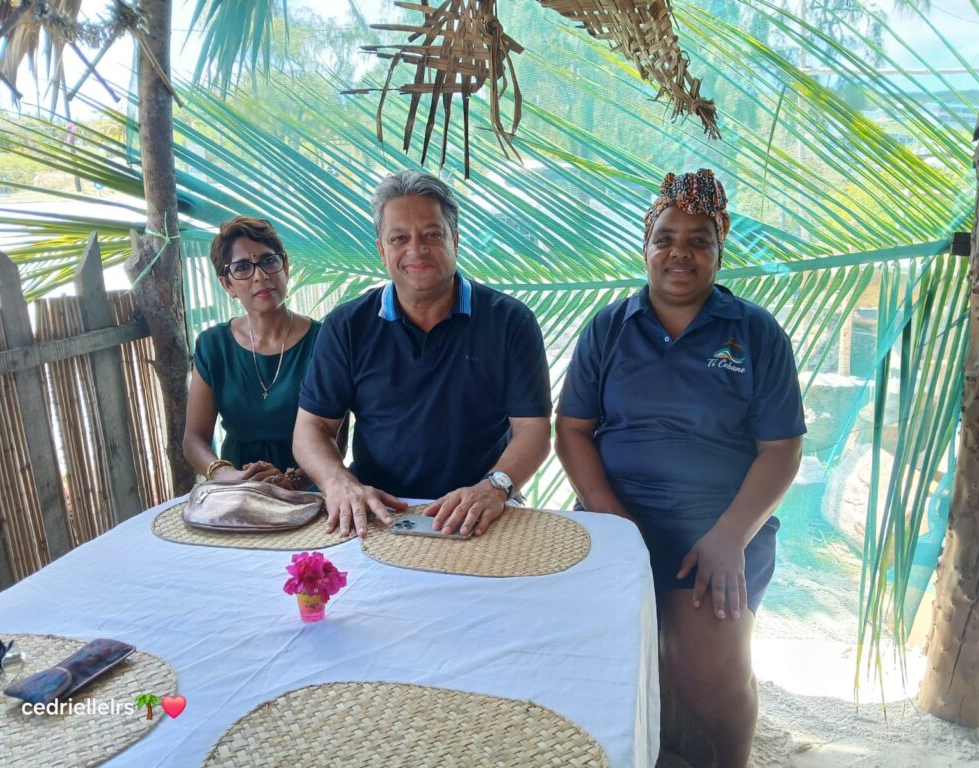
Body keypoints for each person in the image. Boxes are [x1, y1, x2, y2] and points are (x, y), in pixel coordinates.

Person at [555, 169, 805, 768]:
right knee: (578, 651)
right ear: (646, 246)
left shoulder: (754, 332)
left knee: (705, 670)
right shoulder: (608, 328)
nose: (679, 253)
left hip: (718, 528)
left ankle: (733, 760)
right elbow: (572, 430)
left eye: (699, 240)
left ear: (719, 249)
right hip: (617, 519)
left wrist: (729, 537)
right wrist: (615, 524)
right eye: (665, 238)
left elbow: (782, 449)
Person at [293, 169, 552, 537]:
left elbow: (533, 430)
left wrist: (495, 487)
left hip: (482, 512)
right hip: (378, 513)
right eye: (399, 238)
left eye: (432, 234)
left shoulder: (510, 320)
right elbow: (311, 427)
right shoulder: (347, 325)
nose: (416, 250)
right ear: (382, 251)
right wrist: (338, 482)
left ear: (455, 240)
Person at [184, 216, 343, 489]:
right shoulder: (214, 346)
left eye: (269, 261)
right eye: (242, 267)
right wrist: (225, 474)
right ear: (227, 285)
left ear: (286, 268)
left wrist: (292, 482)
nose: (260, 275)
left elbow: (336, 439)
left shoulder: (324, 341)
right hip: (236, 491)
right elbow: (193, 438)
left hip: (312, 490)